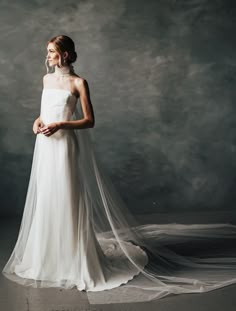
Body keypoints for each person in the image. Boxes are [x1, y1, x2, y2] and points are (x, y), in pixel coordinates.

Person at [2, 35, 236, 304]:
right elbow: (43, 113)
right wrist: (37, 123)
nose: (48, 57)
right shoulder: (46, 80)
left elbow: (89, 121)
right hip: (45, 147)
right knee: (47, 197)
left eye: (53, 52)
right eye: (48, 52)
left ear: (66, 55)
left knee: (67, 197)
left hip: (65, 146)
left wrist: (60, 126)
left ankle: (73, 259)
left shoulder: (79, 82)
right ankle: (48, 258)